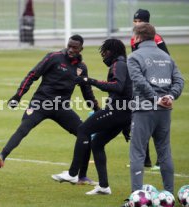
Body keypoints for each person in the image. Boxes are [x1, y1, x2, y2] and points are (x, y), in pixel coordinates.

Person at [0, 34, 100, 185]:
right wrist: (18, 96)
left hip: (61, 108)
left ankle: (82, 176)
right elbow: (32, 75)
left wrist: (98, 111)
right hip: (41, 103)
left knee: (84, 133)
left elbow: (87, 93)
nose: (70, 49)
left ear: (81, 49)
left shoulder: (81, 68)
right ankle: (2, 156)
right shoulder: (54, 57)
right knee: (24, 128)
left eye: (75, 47)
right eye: (69, 46)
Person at [52, 38, 133, 195]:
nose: (104, 55)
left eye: (106, 51)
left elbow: (118, 86)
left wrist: (90, 80)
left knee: (83, 129)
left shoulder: (119, 65)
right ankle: (103, 187)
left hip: (117, 111)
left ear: (113, 51)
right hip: (123, 113)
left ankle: (72, 173)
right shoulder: (123, 64)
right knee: (97, 143)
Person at [121, 23, 184, 207]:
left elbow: (138, 81)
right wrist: (170, 96)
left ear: (138, 37)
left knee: (137, 153)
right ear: (154, 37)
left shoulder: (134, 57)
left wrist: (156, 98)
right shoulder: (166, 57)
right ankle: (169, 196)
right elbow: (179, 80)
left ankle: (136, 199)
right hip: (165, 110)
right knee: (164, 151)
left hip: (144, 109)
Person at [131, 8, 170, 170]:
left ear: (147, 22)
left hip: (157, 86)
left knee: (157, 125)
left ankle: (162, 159)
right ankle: (145, 159)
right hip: (142, 87)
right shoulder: (134, 39)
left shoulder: (156, 38)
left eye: (140, 21)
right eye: (135, 21)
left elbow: (165, 58)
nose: (137, 24)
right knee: (140, 123)